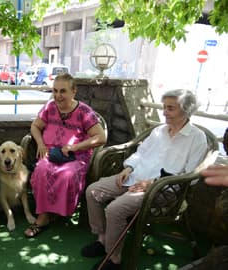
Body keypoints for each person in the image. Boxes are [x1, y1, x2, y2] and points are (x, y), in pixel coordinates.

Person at [82, 89, 208, 270]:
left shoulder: (197, 139)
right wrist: (128, 167)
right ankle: (102, 239)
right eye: (164, 107)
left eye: (170, 108)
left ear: (186, 110)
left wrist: (151, 184)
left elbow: (190, 176)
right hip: (134, 177)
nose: (164, 112)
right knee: (93, 191)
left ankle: (114, 259)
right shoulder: (159, 131)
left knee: (115, 209)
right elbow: (140, 153)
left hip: (162, 189)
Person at [24, 73, 106, 237]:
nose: (57, 96)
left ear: (73, 91)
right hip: (50, 153)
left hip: (74, 157)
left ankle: (59, 212)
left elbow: (101, 137)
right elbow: (35, 126)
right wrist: (40, 143)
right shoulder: (50, 107)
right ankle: (43, 216)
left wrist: (75, 147)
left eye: (63, 91)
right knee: (41, 170)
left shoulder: (84, 111)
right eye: (55, 91)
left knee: (67, 175)